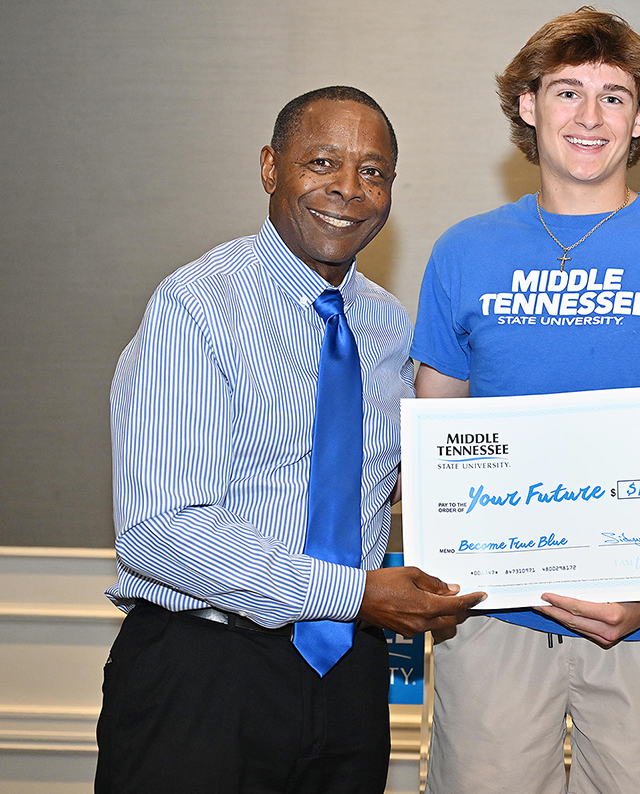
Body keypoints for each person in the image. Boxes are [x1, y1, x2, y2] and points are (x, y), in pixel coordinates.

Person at [410, 8, 640, 793]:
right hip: (493, 620)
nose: (588, 116)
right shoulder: (461, 253)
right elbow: (431, 441)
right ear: (528, 105)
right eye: (567, 91)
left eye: (614, 97)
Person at [96, 86, 484, 794]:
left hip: (349, 681)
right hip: (204, 672)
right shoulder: (197, 306)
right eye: (323, 162)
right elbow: (158, 531)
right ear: (272, 167)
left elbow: (383, 471)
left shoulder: (389, 326)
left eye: (373, 171)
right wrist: (354, 594)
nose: (347, 188)